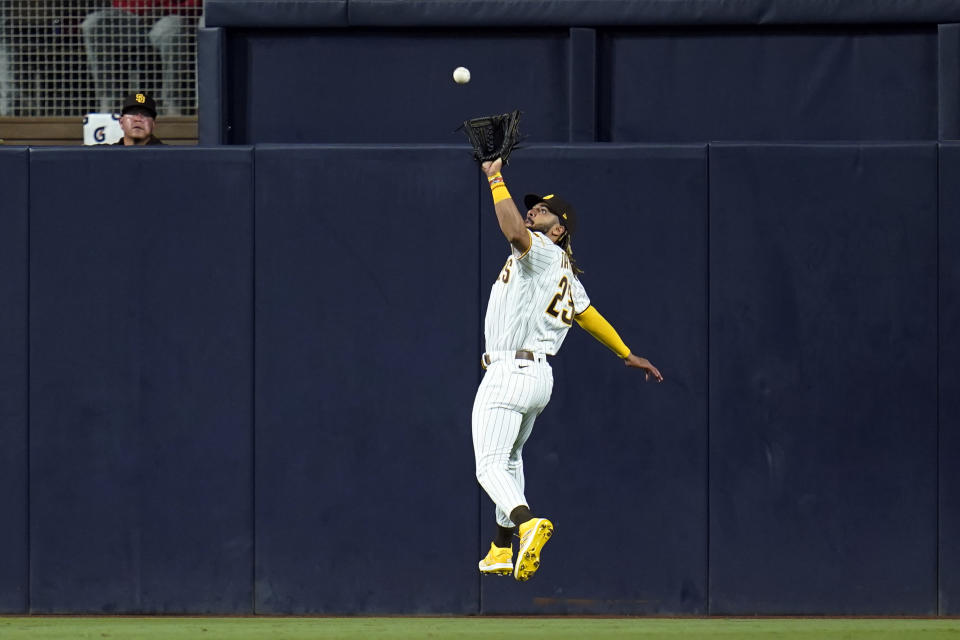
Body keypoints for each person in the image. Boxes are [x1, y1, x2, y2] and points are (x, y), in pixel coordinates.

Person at [473, 157, 663, 582]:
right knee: (511, 458)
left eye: (543, 211)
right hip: (538, 380)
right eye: (534, 207)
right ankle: (501, 547)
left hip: (509, 372)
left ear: (558, 230)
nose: (533, 211)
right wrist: (625, 353)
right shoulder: (565, 272)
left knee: (488, 466)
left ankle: (525, 523)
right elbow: (588, 314)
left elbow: (512, 231)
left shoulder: (540, 251)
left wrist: (495, 178)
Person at [81, 1, 201, 116]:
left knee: (174, 29)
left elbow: (197, 4)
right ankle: (110, 102)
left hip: (168, 16)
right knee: (93, 23)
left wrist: (164, 9)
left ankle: (171, 103)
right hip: (128, 17)